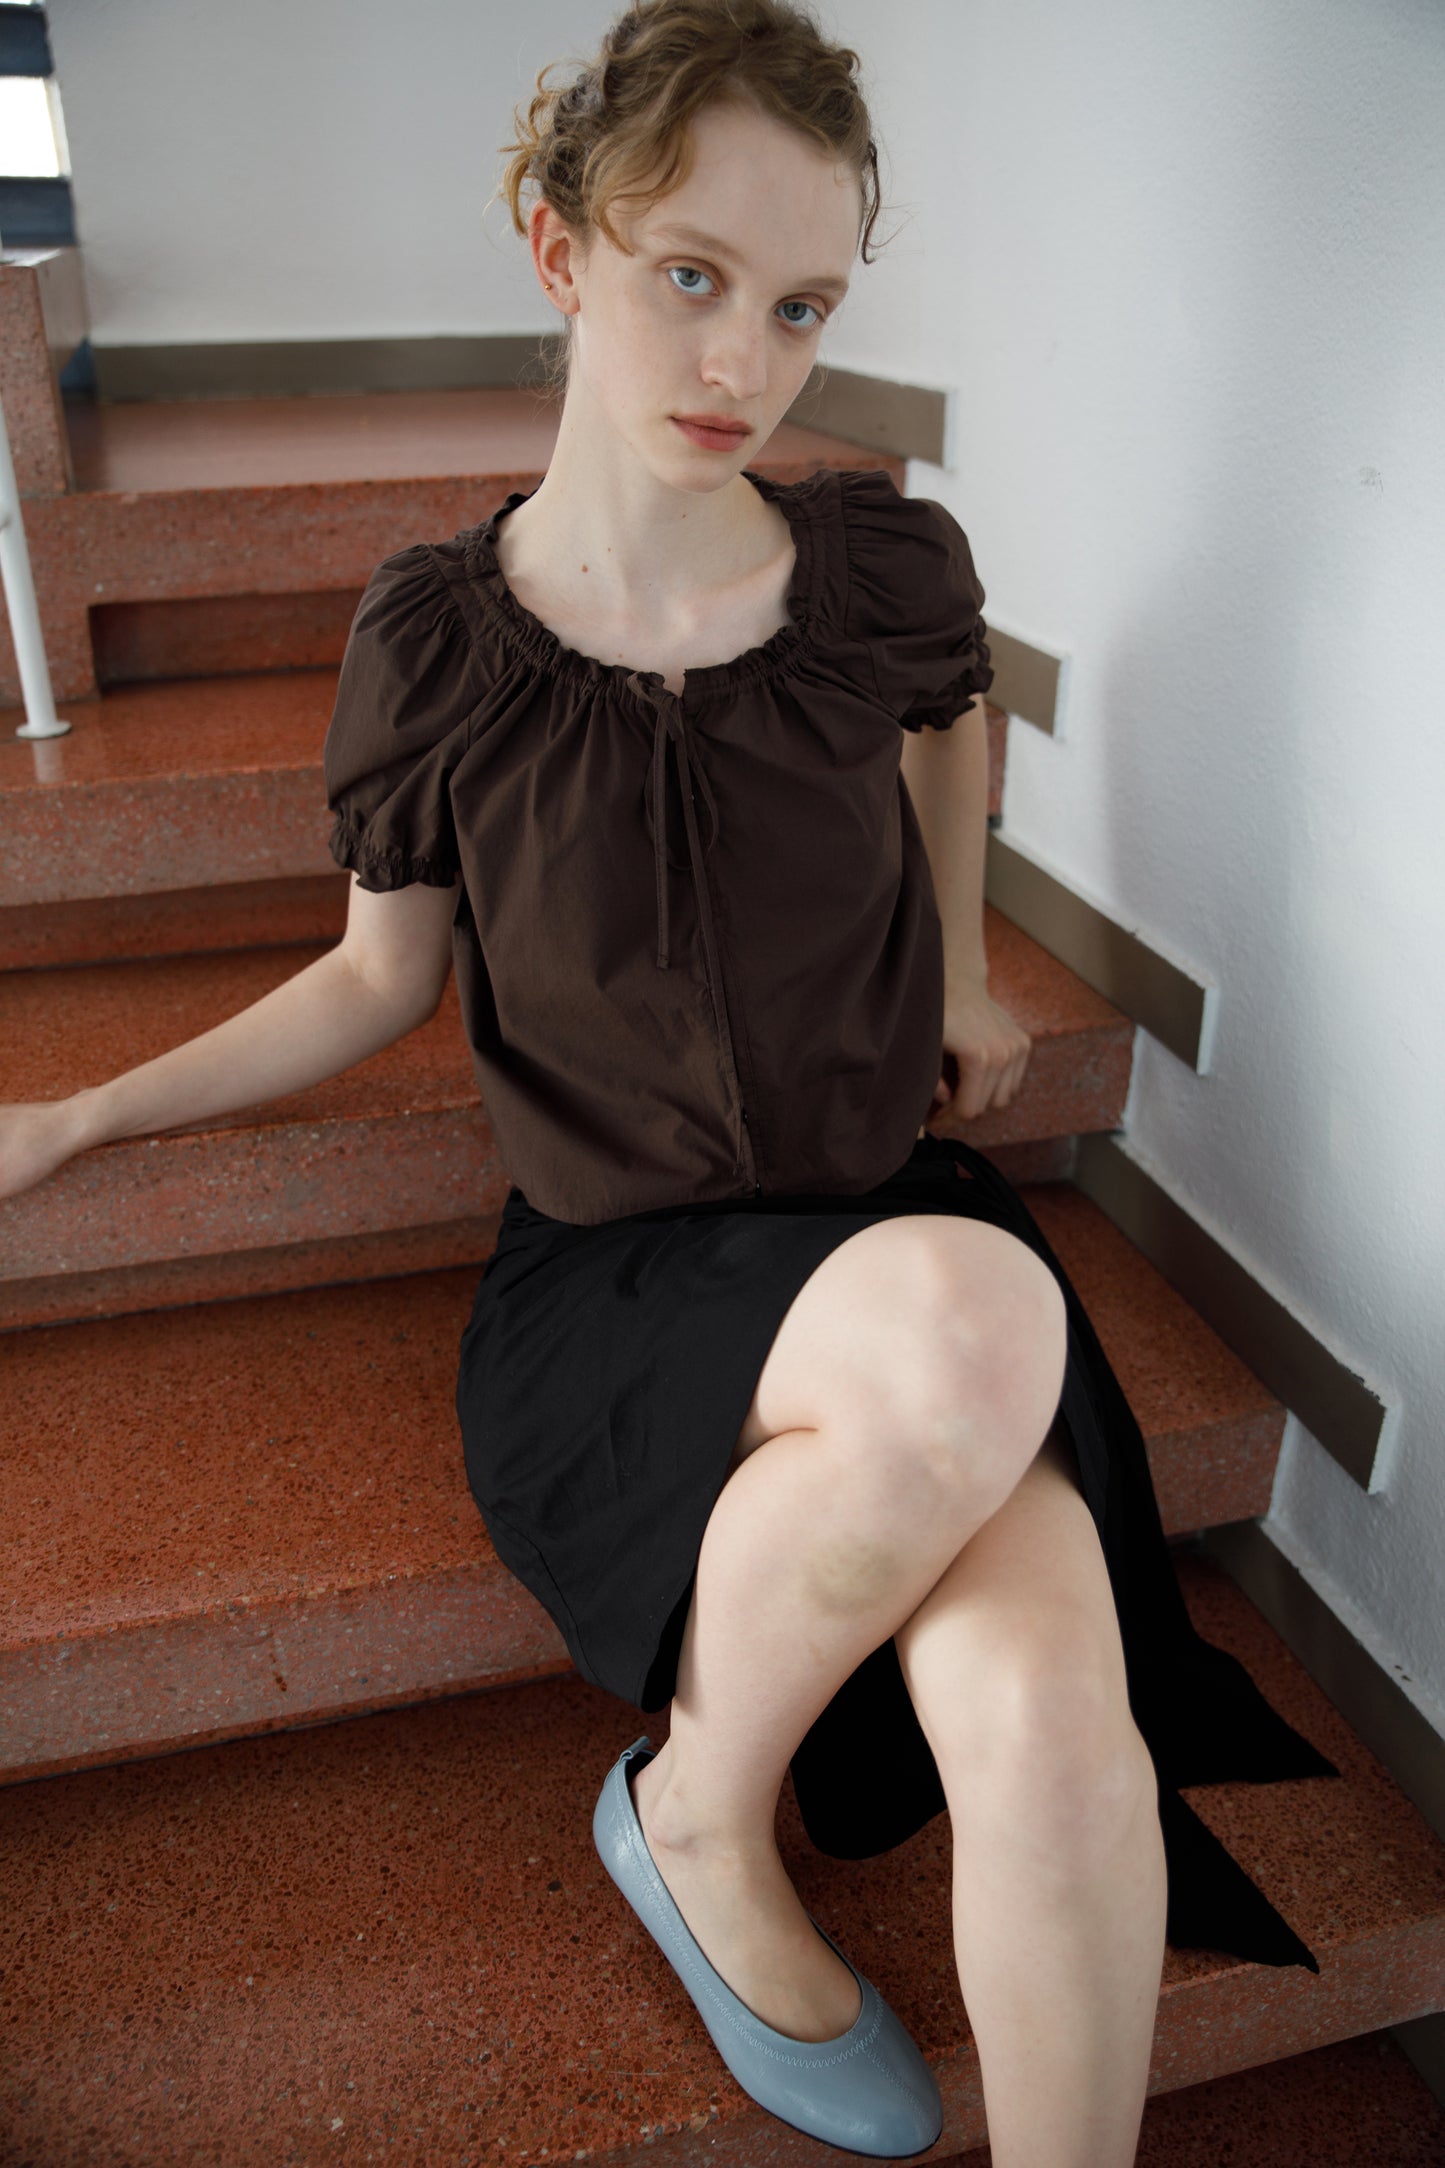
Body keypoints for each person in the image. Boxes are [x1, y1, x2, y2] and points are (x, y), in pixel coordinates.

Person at [0, 3, 1340, 2163]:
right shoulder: (442, 646)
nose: (745, 359)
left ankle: (750, 1855)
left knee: (1056, 1719)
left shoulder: (877, 570)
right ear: (560, 249)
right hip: (626, 1302)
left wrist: (960, 962)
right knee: (985, 1310)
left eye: (801, 303)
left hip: (885, 1256)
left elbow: (944, 720)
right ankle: (698, 1812)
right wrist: (75, 1117)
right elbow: (368, 986)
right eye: (688, 276)